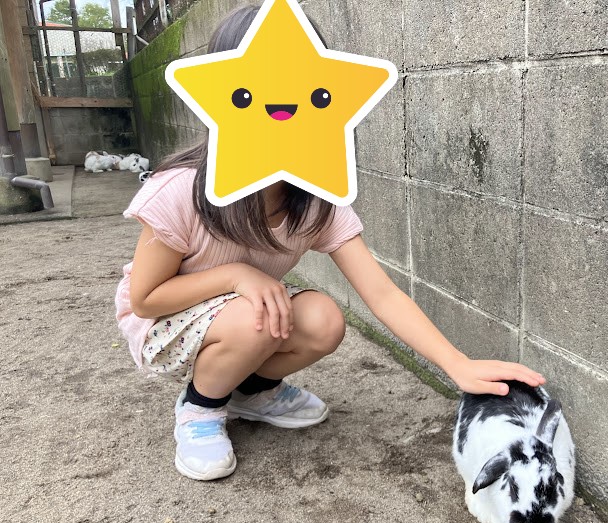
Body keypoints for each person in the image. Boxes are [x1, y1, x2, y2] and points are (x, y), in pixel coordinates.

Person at [115, 5, 546, 481]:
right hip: (164, 321)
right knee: (257, 319)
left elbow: (381, 294)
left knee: (324, 320)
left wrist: (457, 364)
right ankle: (200, 407)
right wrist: (237, 275)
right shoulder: (181, 189)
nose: (282, 105)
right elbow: (145, 299)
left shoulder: (315, 198)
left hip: (239, 311)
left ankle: (250, 392)